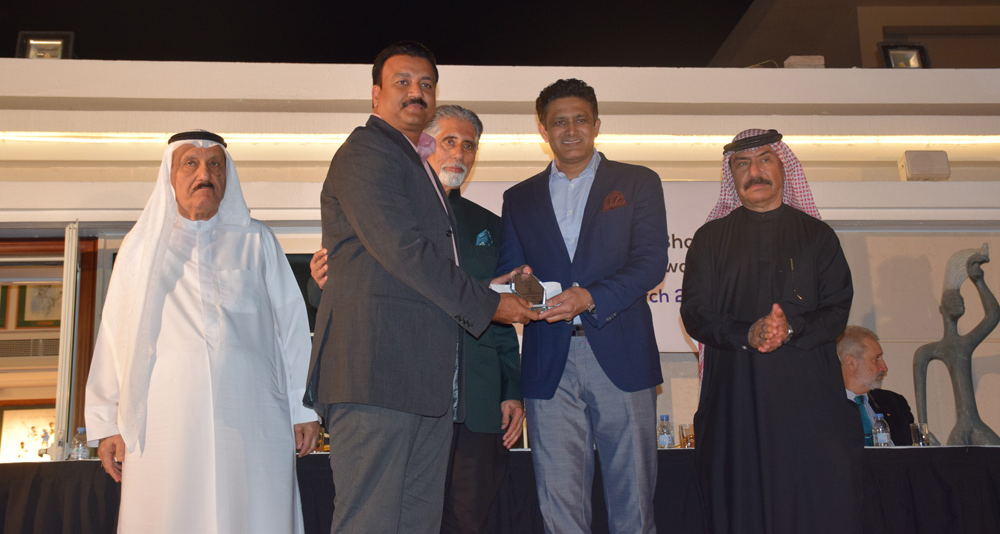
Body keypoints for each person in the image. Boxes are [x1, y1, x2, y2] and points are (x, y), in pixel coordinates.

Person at [305, 42, 536, 534]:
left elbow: (417, 270)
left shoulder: (416, 167)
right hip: (376, 376)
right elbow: (403, 250)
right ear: (376, 95)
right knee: (370, 522)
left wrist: (489, 291)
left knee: (417, 524)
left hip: (427, 386)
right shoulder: (367, 152)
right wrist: (491, 304)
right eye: (403, 82)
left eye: (426, 84)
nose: (417, 92)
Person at [85, 130, 319, 533]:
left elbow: (293, 327)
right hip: (164, 422)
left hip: (253, 416)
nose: (204, 174)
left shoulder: (257, 241)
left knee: (255, 513)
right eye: (190, 163)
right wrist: (106, 422)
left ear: (228, 177)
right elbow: (114, 335)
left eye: (214, 164)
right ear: (170, 175)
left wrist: (304, 408)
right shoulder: (140, 248)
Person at [494, 78, 668, 533]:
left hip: (621, 353)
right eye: (559, 122)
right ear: (543, 129)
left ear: (596, 124)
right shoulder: (519, 197)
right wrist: (529, 289)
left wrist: (589, 297)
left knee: (634, 502)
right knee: (559, 505)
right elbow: (513, 271)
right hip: (547, 360)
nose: (570, 130)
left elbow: (651, 262)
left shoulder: (637, 182)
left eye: (580, 120)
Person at [680, 128, 862, 534]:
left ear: (783, 168)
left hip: (808, 400)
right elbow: (694, 313)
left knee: (814, 501)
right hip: (735, 399)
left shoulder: (817, 236)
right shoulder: (710, 239)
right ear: (731, 176)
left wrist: (790, 328)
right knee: (739, 499)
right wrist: (748, 333)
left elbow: (837, 310)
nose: (754, 172)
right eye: (742, 164)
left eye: (765, 160)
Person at [914, 244, 1000, 445]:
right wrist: (924, 434)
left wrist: (979, 281)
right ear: (941, 308)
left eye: (961, 299)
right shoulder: (926, 351)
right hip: (961, 428)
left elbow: (993, 315)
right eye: (952, 299)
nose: (959, 302)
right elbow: (920, 399)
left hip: (974, 422)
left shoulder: (966, 342)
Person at [837, 325, 915, 446]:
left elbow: (913, 451)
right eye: (876, 358)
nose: (884, 368)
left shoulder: (895, 403)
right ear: (851, 362)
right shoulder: (823, 408)